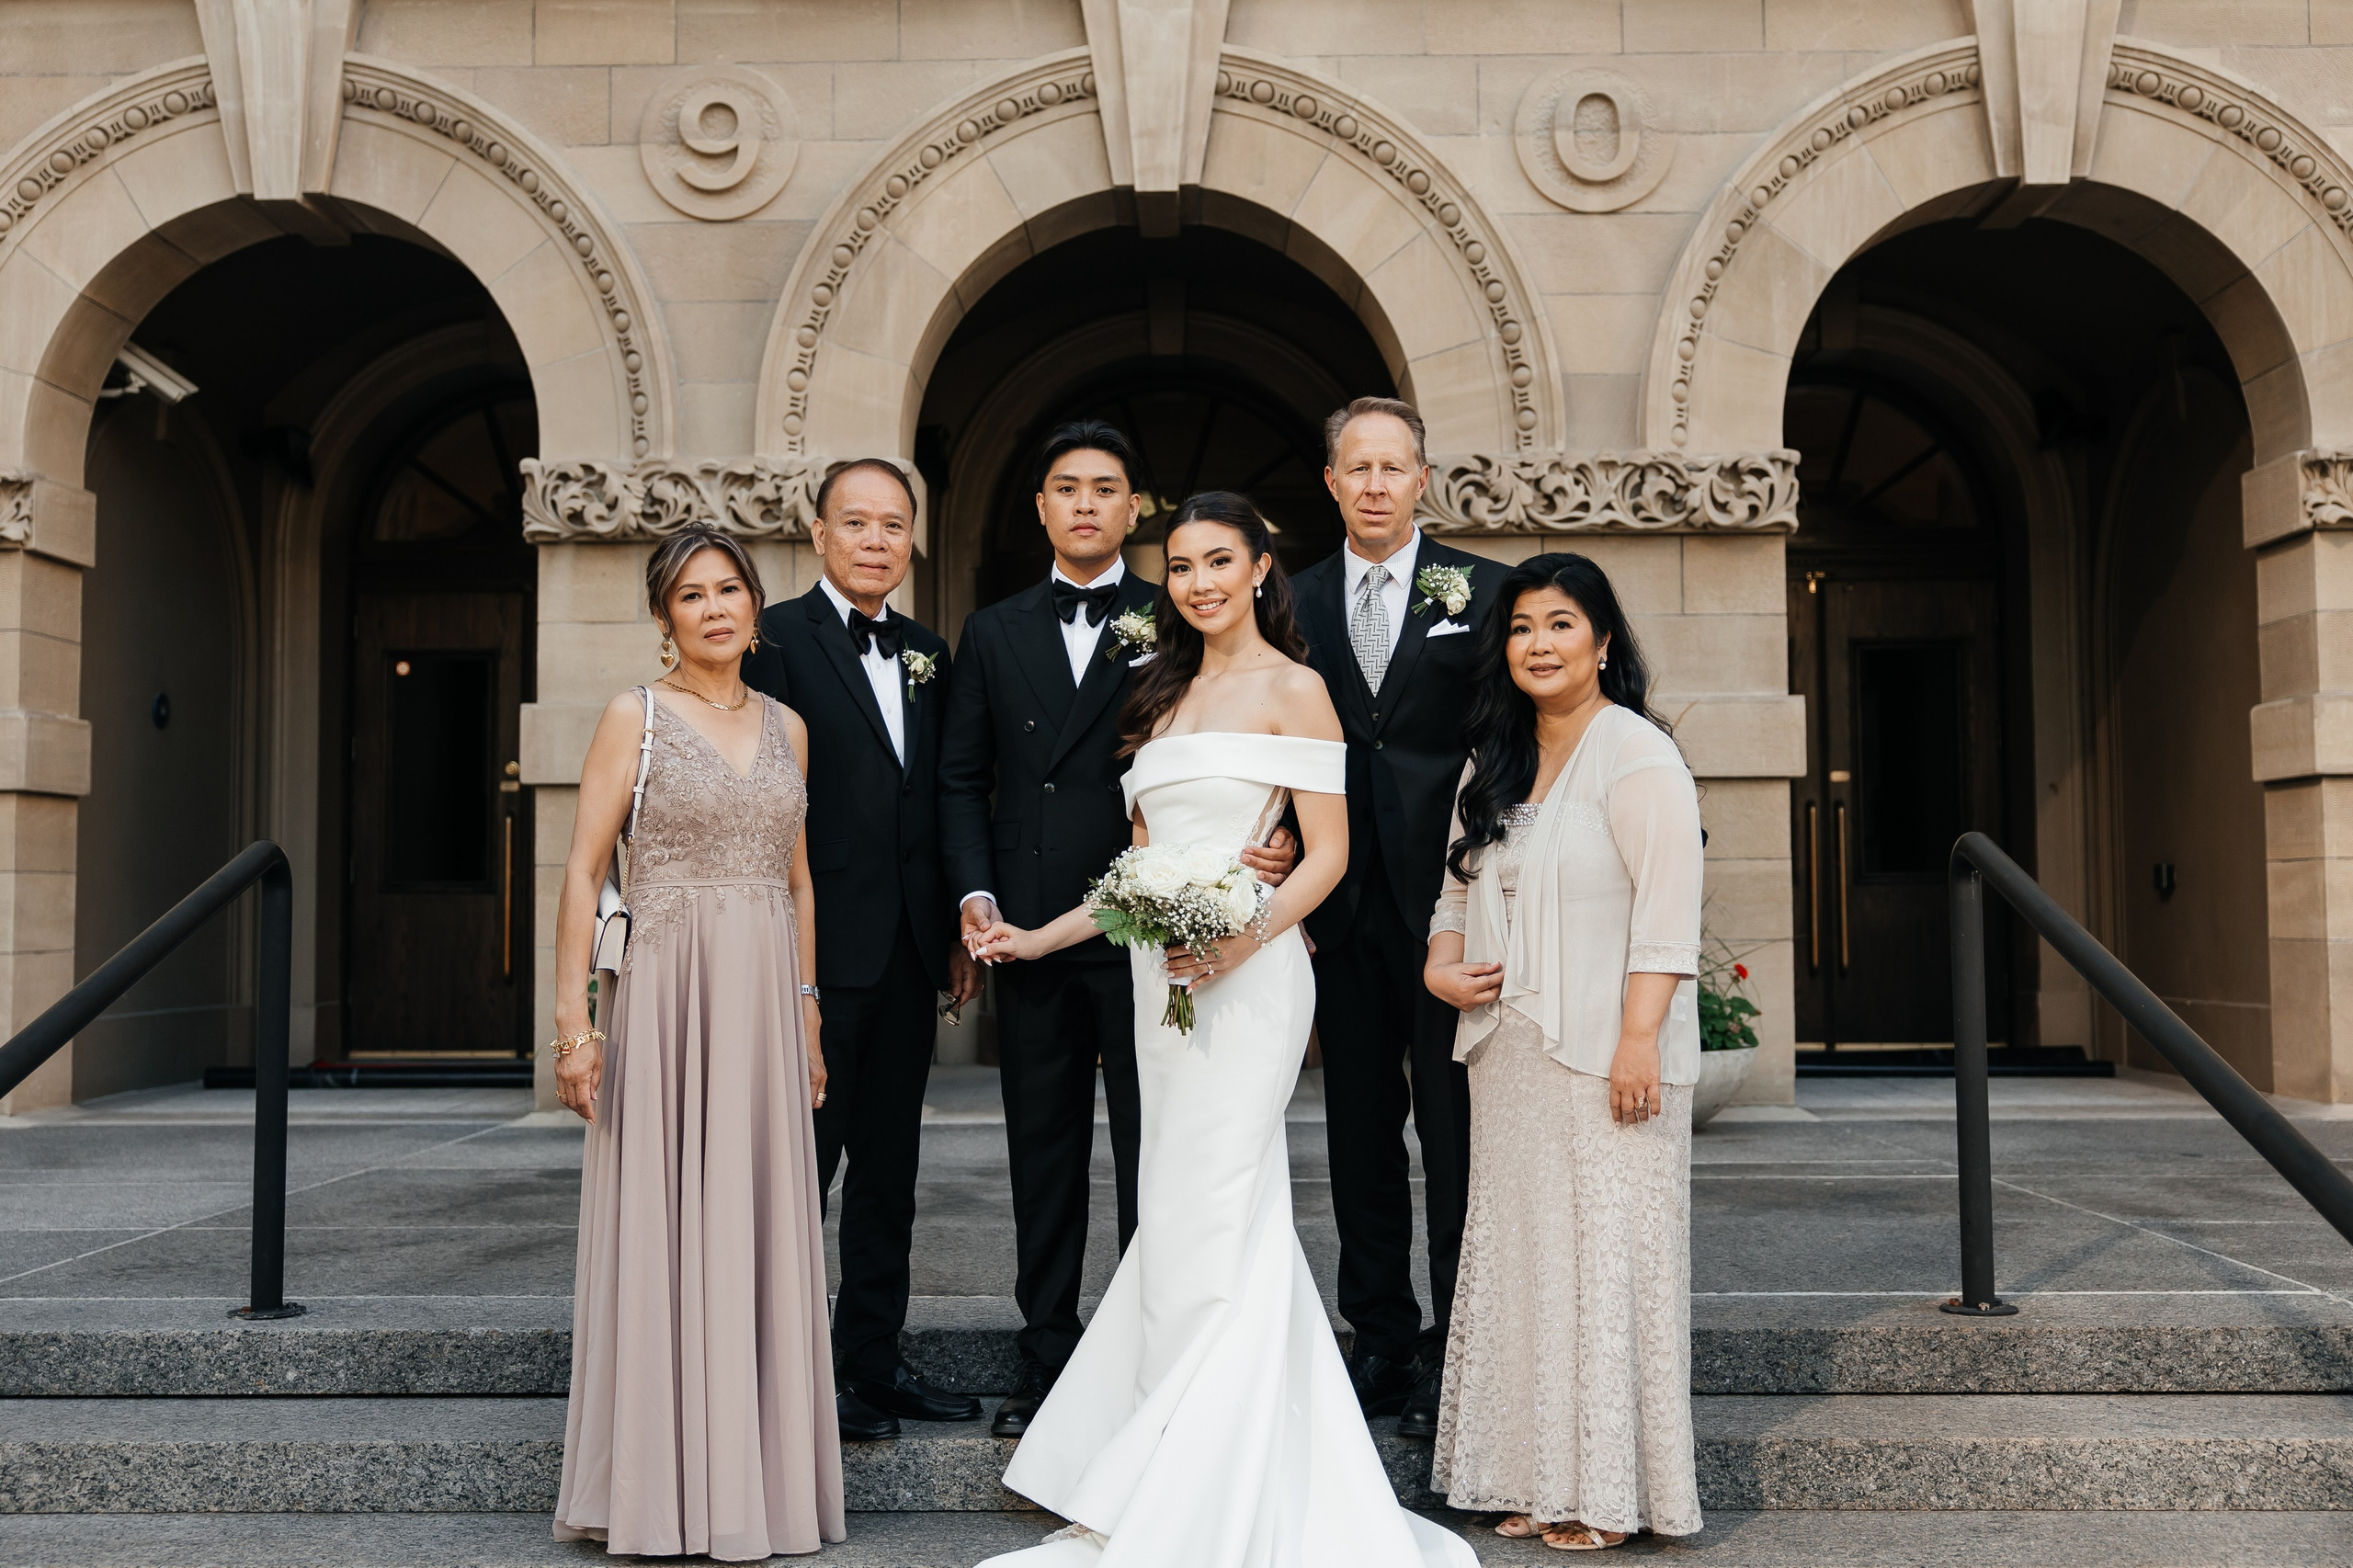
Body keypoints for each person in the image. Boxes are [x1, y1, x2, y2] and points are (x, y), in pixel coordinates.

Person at [967, 494, 1474, 1568]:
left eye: (1217, 561)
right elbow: (1135, 873)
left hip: (1251, 978)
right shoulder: (1156, 697)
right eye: (1182, 565)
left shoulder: (1299, 690)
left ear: (1258, 568)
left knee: (1216, 1190)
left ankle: (1200, 1457)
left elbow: (1326, 854)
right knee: (1184, 1206)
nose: (1197, 581)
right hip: (1163, 979)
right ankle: (1174, 1434)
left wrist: (1244, 938)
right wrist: (1039, 936)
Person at [939, 422, 1294, 1437]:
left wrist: (1259, 849)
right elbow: (964, 778)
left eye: (1106, 488)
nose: (1086, 503)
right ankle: (1045, 1361)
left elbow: (1245, 753)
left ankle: (1155, 1358)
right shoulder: (991, 628)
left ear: (1136, 506)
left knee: (1160, 1153)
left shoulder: (1177, 619)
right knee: (1041, 1154)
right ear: (1040, 506)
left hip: (1158, 928)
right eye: (1065, 487)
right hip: (1035, 923)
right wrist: (974, 896)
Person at [549, 527, 844, 1559]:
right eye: (690, 594)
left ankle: (750, 1480)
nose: (714, 608)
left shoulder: (790, 726)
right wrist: (574, 1021)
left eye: (729, 589)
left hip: (762, 990)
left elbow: (801, 876)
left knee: (754, 1219)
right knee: (668, 1218)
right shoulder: (632, 715)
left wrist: (806, 1010)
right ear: (663, 614)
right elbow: (586, 872)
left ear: (755, 604)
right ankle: (658, 1486)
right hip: (668, 987)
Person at [1424, 552, 1705, 1548]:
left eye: (1559, 624)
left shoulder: (1635, 754)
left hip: (1606, 1056)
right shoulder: (1492, 755)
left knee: (1604, 1266)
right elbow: (1454, 890)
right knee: (1527, 1268)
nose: (1537, 644)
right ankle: (1535, 1475)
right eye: (1520, 627)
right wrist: (1440, 966)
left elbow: (1669, 909)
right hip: (1511, 1056)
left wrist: (1638, 1039)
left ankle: (1606, 1491)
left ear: (1600, 641)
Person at [740, 460, 985, 1442]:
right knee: (801, 1167)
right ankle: (779, 1372)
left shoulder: (929, 650)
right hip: (812, 950)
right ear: (818, 531)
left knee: (889, 1171)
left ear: (912, 537)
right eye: (857, 522)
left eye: (893, 524)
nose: (876, 540)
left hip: (908, 949)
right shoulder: (778, 640)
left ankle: (871, 1365)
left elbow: (943, 795)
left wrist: (956, 925)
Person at [1290, 396, 1497, 1438]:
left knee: (1458, 1135)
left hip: (1454, 911)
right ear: (1329, 481)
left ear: (1424, 477)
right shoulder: (1288, 600)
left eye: (1393, 466)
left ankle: (1462, 1343)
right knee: (1358, 1132)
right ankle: (1378, 1336)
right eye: (1355, 467)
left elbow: (1512, 739)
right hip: (1337, 911)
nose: (1373, 483)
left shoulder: (1490, 593)